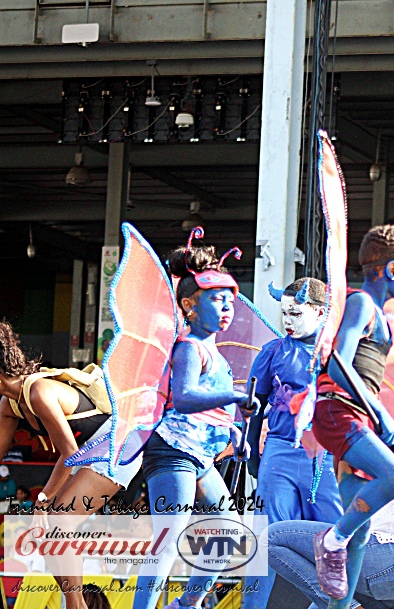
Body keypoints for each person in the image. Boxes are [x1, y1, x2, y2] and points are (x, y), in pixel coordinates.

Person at [269, 349, 394, 609]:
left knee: (273, 539)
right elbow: (350, 493)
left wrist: (379, 455)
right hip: (387, 569)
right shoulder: (381, 423)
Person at [132, 236, 259, 609]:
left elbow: (209, 410)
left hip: (200, 458)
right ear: (189, 305)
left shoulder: (215, 352)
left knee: (229, 533)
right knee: (169, 539)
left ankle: (185, 604)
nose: (226, 309)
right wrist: (235, 397)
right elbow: (185, 399)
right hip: (173, 452)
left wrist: (235, 431)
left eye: (230, 302)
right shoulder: (189, 347)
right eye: (216, 300)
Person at [311, 225, 394, 602]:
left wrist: (377, 420)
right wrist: (380, 411)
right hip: (339, 412)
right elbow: (337, 366)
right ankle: (331, 540)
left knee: (361, 532)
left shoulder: (381, 317)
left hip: (356, 419)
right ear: (392, 270)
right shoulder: (361, 303)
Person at [0, 319, 142, 609]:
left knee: (60, 517)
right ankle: (74, 603)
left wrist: (44, 498)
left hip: (116, 441)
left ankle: (76, 605)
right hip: (85, 452)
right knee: (46, 529)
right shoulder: (8, 405)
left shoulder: (40, 392)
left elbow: (70, 454)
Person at [242, 278, 343, 609]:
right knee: (267, 535)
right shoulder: (273, 351)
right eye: (284, 312)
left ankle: (330, 604)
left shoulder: (339, 355)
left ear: (318, 312)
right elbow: (254, 406)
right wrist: (254, 455)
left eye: (295, 313)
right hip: (280, 451)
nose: (287, 320)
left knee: (335, 536)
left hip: (326, 457)